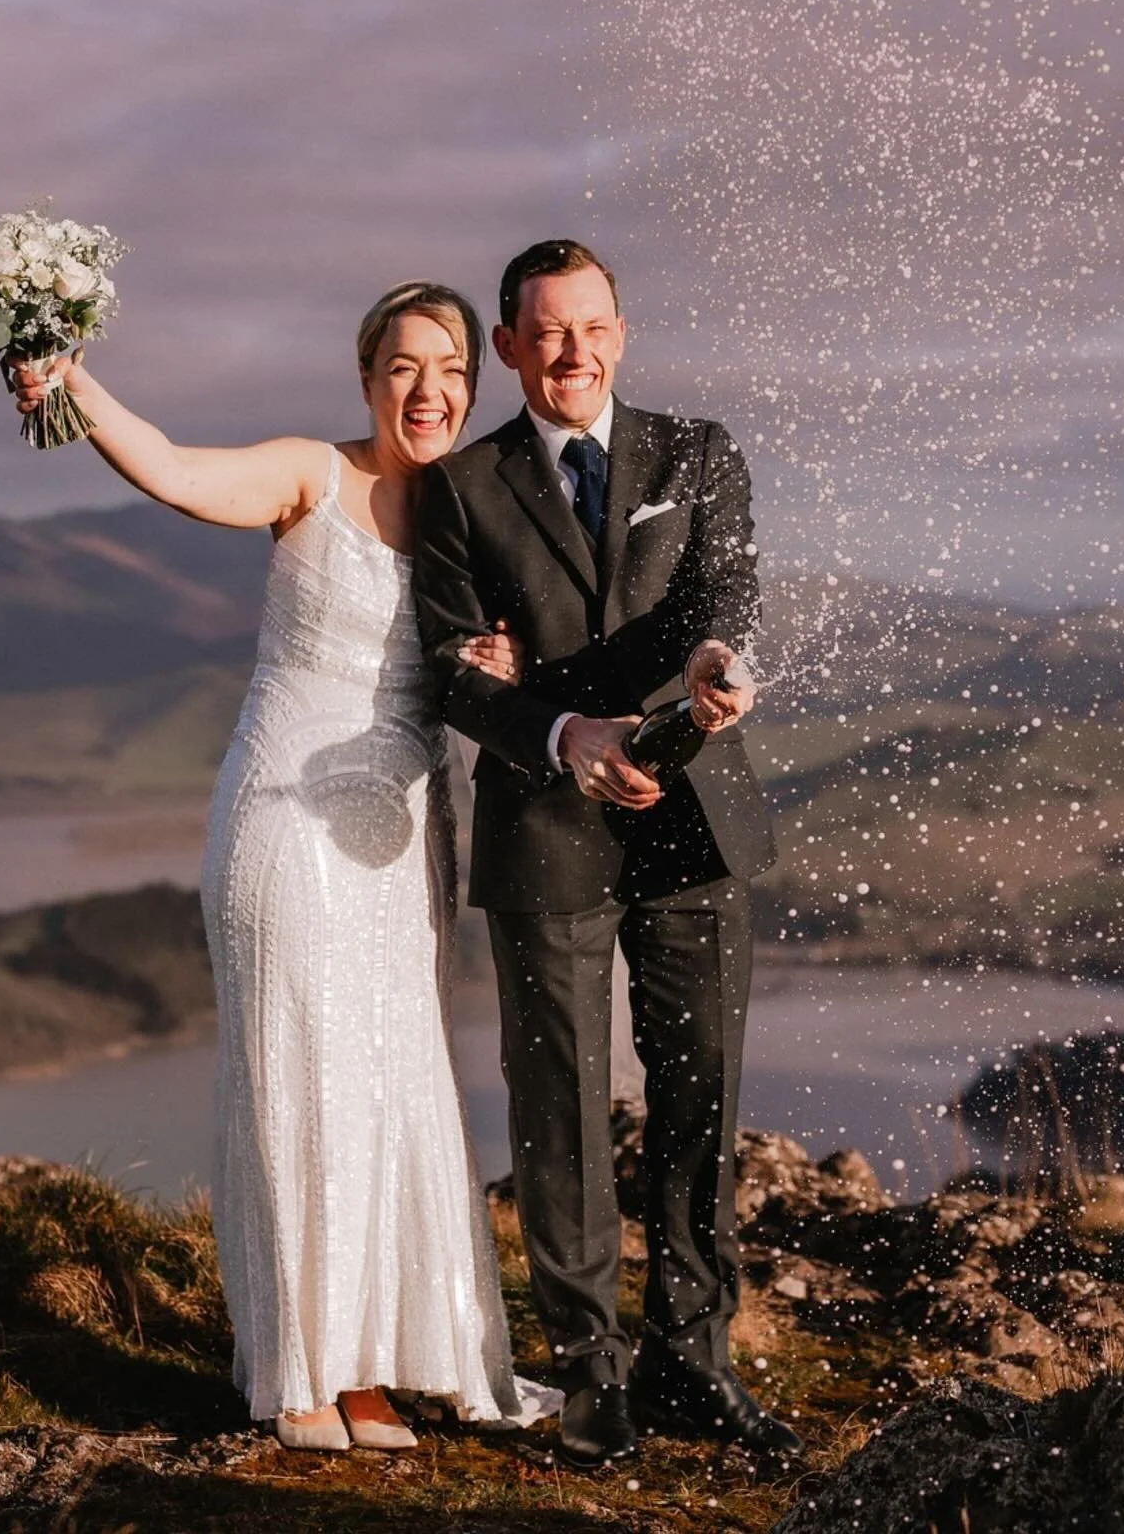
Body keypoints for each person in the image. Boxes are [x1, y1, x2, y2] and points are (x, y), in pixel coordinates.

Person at [10, 283, 555, 1451]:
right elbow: (168, 464)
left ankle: (372, 1369)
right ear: (367, 377)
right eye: (405, 366)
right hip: (287, 827)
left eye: (451, 367)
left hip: (407, 841)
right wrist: (69, 378)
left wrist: (506, 665)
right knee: (297, 1083)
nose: (430, 389)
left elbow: (516, 659)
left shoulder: (474, 511)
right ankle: (302, 1373)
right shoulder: (311, 473)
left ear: (475, 380)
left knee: (387, 1086)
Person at [412, 239, 802, 1468]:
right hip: (544, 824)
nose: (573, 352)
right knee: (562, 1112)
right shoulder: (463, 489)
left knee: (700, 1095)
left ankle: (695, 1358)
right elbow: (446, 669)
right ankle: (592, 1376)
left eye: (593, 327)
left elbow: (723, 597)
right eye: (547, 331)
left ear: (620, 332)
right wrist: (561, 729)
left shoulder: (699, 452)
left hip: (692, 815)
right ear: (513, 346)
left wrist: (706, 673)